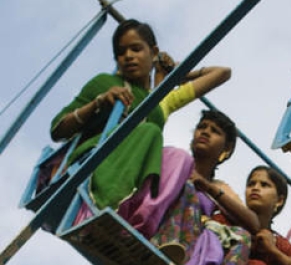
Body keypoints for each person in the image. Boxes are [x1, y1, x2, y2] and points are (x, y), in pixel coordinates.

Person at [50, 19, 230, 212]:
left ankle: (142, 216)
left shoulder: (161, 103)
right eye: (121, 52)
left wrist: (181, 74)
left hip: (136, 175)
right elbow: (57, 129)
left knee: (181, 159)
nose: (128, 56)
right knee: (149, 131)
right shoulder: (105, 83)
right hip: (95, 164)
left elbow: (222, 73)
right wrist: (99, 102)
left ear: (153, 53)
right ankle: (109, 205)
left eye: (136, 49)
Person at [151, 109, 258, 265]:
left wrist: (208, 188)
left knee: (243, 237)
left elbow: (253, 223)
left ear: (225, 149)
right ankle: (171, 249)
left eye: (214, 131)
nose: (205, 132)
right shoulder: (178, 160)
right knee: (189, 189)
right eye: (202, 127)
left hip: (195, 241)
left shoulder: (218, 186)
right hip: (163, 230)